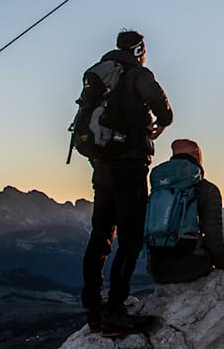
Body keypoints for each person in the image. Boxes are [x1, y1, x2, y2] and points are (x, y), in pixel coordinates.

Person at [81, 29, 173, 337]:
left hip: (102, 165)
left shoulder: (102, 75)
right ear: (138, 50)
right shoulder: (137, 74)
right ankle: (116, 310)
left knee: (100, 237)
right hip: (130, 165)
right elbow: (164, 110)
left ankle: (94, 309)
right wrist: (161, 122)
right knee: (131, 239)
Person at [146, 139, 224, 283]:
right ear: (197, 155)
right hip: (191, 269)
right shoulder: (207, 189)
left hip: (157, 270)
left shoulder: (159, 189)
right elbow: (213, 235)